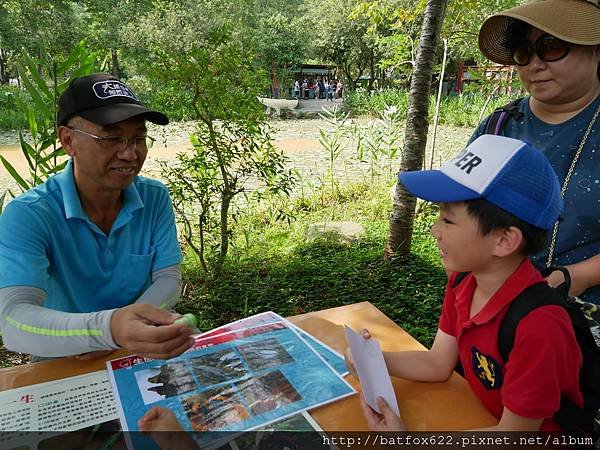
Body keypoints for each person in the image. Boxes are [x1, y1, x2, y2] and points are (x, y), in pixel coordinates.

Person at [348, 135, 583, 431]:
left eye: (448, 220)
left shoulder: (539, 326)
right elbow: (437, 364)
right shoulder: (464, 282)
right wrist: (373, 361)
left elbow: (512, 437)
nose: (434, 230)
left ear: (504, 240)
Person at [0, 73, 195, 360]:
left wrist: (128, 332)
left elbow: (168, 278)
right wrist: (108, 331)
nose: (129, 154)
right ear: (68, 141)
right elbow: (14, 322)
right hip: (65, 363)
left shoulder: (153, 198)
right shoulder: (29, 216)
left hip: (138, 351)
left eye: (139, 138)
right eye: (112, 138)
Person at [473, 0, 600, 304]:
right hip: (500, 312)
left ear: (596, 50)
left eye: (552, 46)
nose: (534, 64)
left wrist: (576, 277)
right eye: (523, 52)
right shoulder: (499, 126)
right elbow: (463, 213)